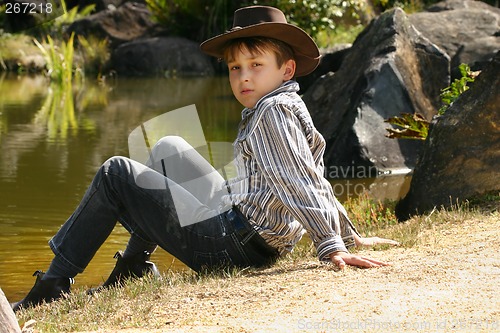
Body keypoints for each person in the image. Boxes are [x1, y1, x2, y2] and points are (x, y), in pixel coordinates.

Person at [11, 5, 398, 312]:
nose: (243, 78)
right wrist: (347, 233)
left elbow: (297, 178)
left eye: (256, 66)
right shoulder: (286, 103)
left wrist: (332, 245)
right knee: (168, 149)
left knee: (116, 172)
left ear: (287, 69)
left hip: (235, 247)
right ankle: (132, 269)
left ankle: (53, 284)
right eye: (235, 68)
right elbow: (312, 173)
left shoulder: (271, 112)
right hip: (242, 228)